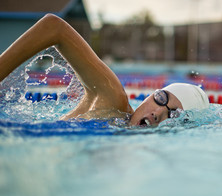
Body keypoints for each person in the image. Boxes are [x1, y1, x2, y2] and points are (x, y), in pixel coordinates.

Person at [0, 14, 209, 127]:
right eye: (161, 98)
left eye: (173, 116)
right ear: (148, 96)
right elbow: (54, 27)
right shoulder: (112, 100)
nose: (158, 113)